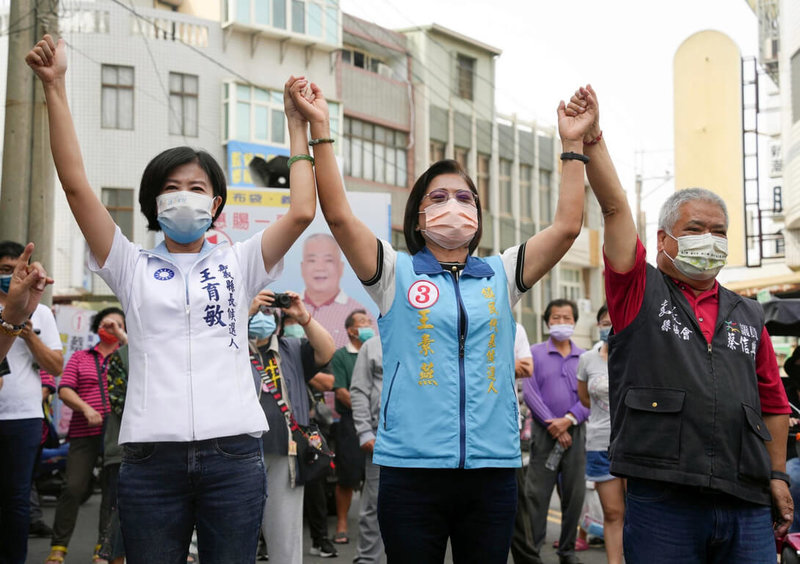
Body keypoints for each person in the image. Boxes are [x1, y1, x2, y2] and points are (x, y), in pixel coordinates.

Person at [27, 34, 317, 563]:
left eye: (198, 186)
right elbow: (75, 186)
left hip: (234, 456)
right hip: (149, 460)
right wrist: (55, 86)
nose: (185, 195)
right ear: (154, 204)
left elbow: (301, 212)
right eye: (172, 186)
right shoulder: (129, 264)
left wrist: (296, 123)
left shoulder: (240, 261)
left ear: (218, 203)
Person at [290, 78, 595, 562]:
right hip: (410, 474)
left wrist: (573, 145)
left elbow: (566, 227)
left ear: (478, 215)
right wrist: (321, 129)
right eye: (438, 198)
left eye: (465, 198)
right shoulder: (394, 272)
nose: (453, 205)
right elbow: (341, 217)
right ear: (416, 218)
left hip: (491, 472)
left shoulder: (500, 274)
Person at [567, 85, 792, 562]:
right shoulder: (637, 290)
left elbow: (772, 401)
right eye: (695, 229)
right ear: (663, 239)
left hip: (746, 499)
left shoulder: (748, 313)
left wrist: (775, 475)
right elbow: (614, 209)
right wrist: (594, 140)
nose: (708, 240)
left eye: (719, 232)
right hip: (664, 498)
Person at [247, 289, 335, 564]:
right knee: (236, 536)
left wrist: (303, 316)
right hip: (238, 456)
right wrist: (243, 312)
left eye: (268, 312)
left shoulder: (291, 349)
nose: (263, 317)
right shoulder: (228, 347)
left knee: (286, 540)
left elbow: (326, 349)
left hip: (287, 456)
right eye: (258, 311)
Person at [0, 240, 63, 564]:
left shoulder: (40, 313)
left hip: (23, 417)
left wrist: (27, 333)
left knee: (16, 498)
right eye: (4, 271)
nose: (10, 277)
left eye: (16, 270)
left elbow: (56, 366)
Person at [46, 307, 125, 564]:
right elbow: (65, 389)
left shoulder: (126, 355)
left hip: (117, 435)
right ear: (96, 327)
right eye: (106, 323)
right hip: (83, 432)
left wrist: (124, 338)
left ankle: (105, 549)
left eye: (118, 324)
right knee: (73, 487)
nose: (111, 327)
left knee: (112, 493)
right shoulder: (80, 357)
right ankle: (58, 547)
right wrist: (85, 408)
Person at [522, 299, 588, 564]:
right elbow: (530, 391)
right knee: (536, 496)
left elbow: (591, 396)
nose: (562, 323)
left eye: (567, 318)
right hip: (544, 433)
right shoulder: (535, 353)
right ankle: (532, 551)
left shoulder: (584, 356)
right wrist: (553, 423)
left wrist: (570, 420)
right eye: (556, 318)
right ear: (547, 322)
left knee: (574, 495)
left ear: (574, 322)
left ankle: (567, 551)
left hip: (576, 433)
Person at [576, 304, 623, 564]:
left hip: (632, 442)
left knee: (639, 513)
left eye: (614, 322)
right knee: (613, 512)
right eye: (605, 323)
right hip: (599, 442)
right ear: (598, 326)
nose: (609, 328)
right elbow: (584, 399)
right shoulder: (587, 359)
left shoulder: (634, 355)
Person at [331, 309, 373, 544]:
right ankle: (342, 523)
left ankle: (378, 526)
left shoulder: (380, 350)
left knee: (377, 477)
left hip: (380, 424)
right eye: (363, 322)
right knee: (347, 477)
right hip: (351, 424)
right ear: (351, 330)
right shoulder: (341, 356)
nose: (368, 325)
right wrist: (365, 405)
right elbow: (341, 391)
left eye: (369, 321)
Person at [301, 233, 376, 347]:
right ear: (302, 267)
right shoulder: (288, 310)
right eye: (312, 260)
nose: (320, 267)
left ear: (340, 267)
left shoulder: (361, 315)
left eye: (328, 260)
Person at [350, 333, 385, 563]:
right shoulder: (372, 346)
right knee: (374, 506)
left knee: (420, 509)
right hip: (381, 438)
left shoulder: (432, 339)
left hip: (425, 440)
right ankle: (368, 560)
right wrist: (364, 432)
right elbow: (359, 390)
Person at [510, 322, 538, 564]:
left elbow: (527, 367)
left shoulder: (515, 328)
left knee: (516, 502)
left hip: (504, 432)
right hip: (449, 433)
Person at [0, 242, 52, 365]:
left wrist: (30, 336)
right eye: (6, 269)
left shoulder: (42, 311)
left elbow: (57, 368)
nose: (12, 276)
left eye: (19, 270)